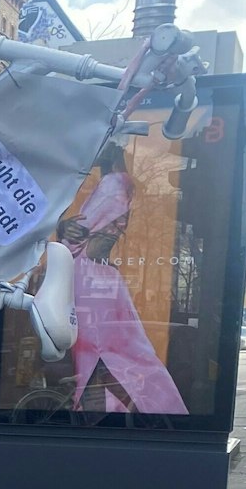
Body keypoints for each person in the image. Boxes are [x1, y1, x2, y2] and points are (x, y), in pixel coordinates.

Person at [57, 147, 187, 417]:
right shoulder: (77, 266)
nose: (120, 229)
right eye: (114, 221)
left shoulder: (109, 272)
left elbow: (129, 338)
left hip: (114, 366)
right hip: (103, 363)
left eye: (123, 221)